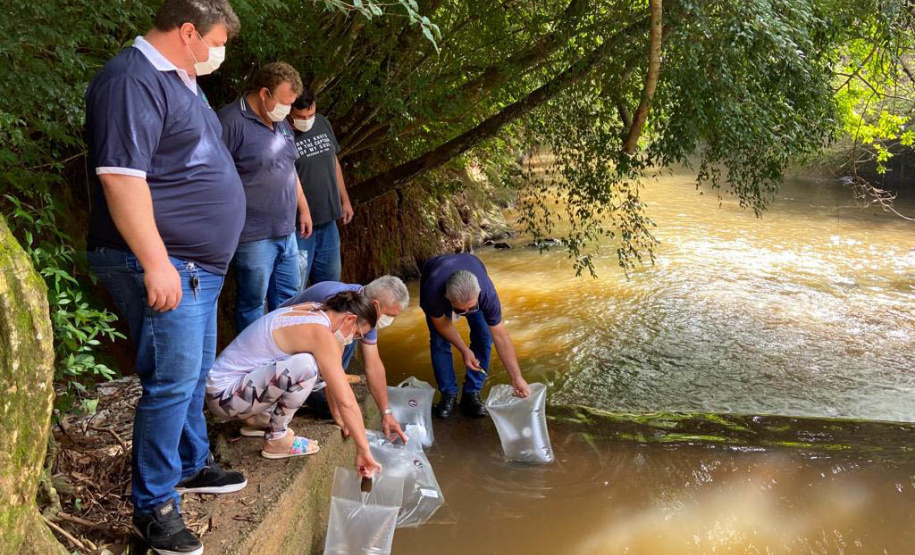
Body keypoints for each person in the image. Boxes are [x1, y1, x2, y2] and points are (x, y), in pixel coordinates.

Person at [84, 1, 246, 552]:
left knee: (192, 375)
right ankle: (152, 507)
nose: (218, 53)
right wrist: (157, 262)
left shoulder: (181, 80)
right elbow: (121, 178)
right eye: (216, 41)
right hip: (165, 261)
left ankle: (191, 464)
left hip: (196, 266)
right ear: (187, 32)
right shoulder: (132, 80)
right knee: (170, 382)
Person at [205, 292, 383, 476]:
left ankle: (257, 419)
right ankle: (276, 438)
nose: (350, 340)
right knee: (307, 367)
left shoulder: (313, 309)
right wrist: (364, 450)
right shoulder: (320, 332)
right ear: (349, 319)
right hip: (225, 398)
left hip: (227, 390)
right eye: (356, 334)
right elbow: (346, 400)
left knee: (308, 367)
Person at [220, 62, 313, 332]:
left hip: (287, 230)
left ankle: (284, 362)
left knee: (290, 301)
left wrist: (303, 208)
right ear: (264, 93)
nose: (288, 108)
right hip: (252, 234)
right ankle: (252, 365)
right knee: (252, 304)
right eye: (284, 102)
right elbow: (213, 176)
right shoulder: (230, 122)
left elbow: (289, 167)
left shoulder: (281, 122)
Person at [281, 276, 410, 442]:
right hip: (281, 355)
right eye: (390, 315)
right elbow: (330, 364)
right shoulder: (342, 307)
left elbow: (373, 365)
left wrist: (386, 413)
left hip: (306, 350)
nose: (390, 320)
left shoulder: (364, 306)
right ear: (376, 305)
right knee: (336, 407)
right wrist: (339, 416)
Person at [419, 253, 531, 418]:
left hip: (472, 274)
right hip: (435, 274)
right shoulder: (433, 291)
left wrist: (516, 377)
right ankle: (448, 394)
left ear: (478, 295)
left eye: (470, 309)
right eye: (459, 311)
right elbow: (442, 325)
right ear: (447, 298)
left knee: (484, 337)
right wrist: (465, 350)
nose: (465, 313)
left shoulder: (486, 294)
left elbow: (501, 337)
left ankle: (471, 393)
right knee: (439, 341)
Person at [287, 88, 353, 289]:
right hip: (298, 227)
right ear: (289, 110)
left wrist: (345, 199)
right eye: (301, 116)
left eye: (311, 114)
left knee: (329, 289)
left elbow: (333, 162)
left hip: (328, 221)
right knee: (295, 289)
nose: (307, 120)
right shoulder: (281, 131)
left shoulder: (322, 122)